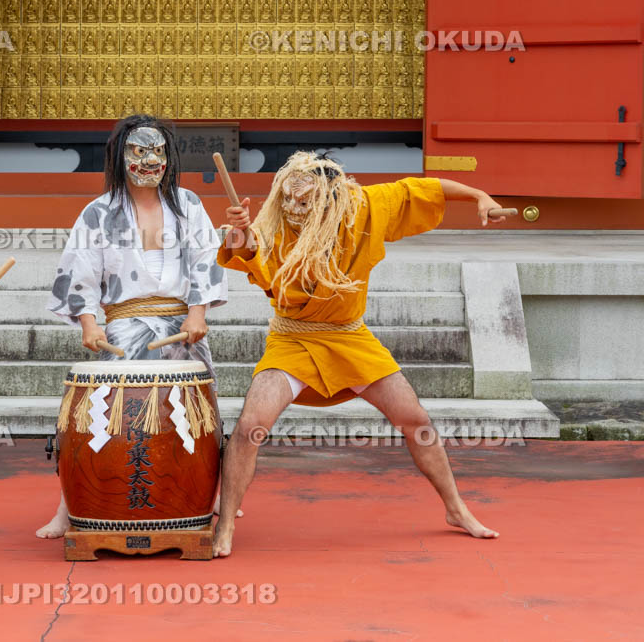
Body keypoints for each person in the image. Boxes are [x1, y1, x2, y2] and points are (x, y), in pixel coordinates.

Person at [213, 150, 504, 558]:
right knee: (250, 425)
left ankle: (456, 508)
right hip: (293, 338)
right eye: (289, 200)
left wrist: (479, 196)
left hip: (350, 337)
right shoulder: (274, 222)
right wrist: (240, 237)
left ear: (333, 198)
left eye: (305, 201)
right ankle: (225, 522)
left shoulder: (364, 206)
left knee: (415, 419)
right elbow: (251, 254)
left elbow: (430, 189)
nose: (295, 208)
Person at [36, 115, 229, 538]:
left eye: (157, 151)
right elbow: (79, 273)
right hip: (125, 326)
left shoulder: (189, 204)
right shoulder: (99, 213)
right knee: (106, 417)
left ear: (169, 157)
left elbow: (205, 260)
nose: (148, 160)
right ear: (120, 156)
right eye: (139, 151)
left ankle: (201, 495)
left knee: (194, 414)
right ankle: (70, 506)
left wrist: (199, 312)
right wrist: (89, 323)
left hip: (182, 323)